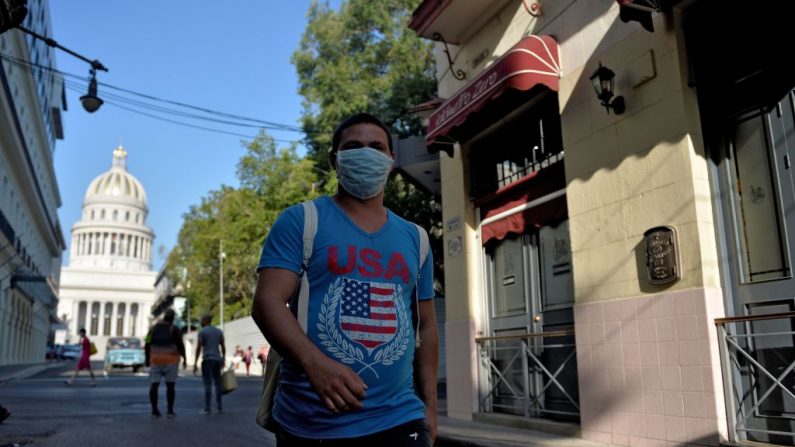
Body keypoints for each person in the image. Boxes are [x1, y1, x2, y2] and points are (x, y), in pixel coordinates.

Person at [252, 113, 438, 446]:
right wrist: (315, 365)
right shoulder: (302, 220)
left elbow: (426, 326)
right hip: (312, 423)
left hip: (401, 418)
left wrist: (431, 410)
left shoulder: (417, 238)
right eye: (353, 146)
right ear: (335, 160)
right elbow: (267, 302)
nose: (366, 153)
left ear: (391, 161)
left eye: (376, 147)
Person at [144, 309, 186, 418]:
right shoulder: (175, 329)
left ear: (164, 317)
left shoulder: (152, 329)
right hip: (171, 360)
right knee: (170, 386)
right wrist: (184, 358)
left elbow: (147, 343)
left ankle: (154, 411)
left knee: (154, 385)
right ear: (172, 318)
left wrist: (147, 358)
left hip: (156, 359)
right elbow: (180, 345)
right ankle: (170, 411)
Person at [193, 314, 226, 414]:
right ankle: (219, 407)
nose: (200, 322)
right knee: (218, 384)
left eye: (202, 320)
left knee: (208, 384)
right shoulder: (218, 331)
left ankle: (207, 408)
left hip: (207, 359)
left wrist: (195, 362)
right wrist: (223, 358)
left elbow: (199, 347)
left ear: (205, 320)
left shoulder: (202, 331)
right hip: (217, 359)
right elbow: (223, 346)